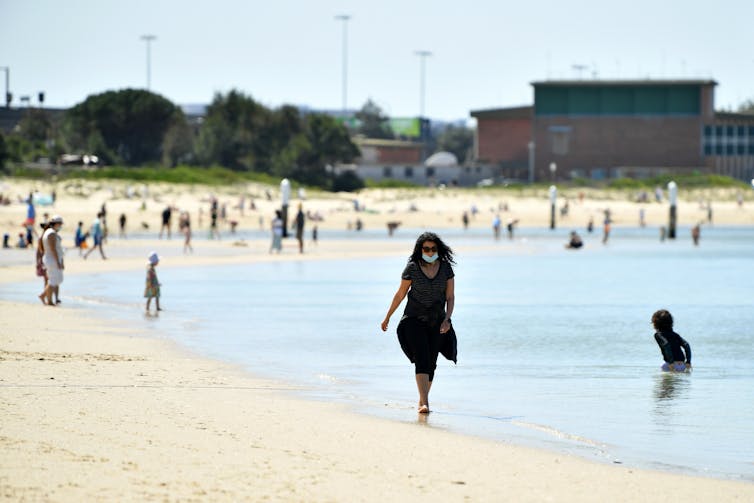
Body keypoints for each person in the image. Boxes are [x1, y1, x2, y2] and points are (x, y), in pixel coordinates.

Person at [381, 232, 456, 414]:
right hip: (414, 320)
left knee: (432, 362)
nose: (430, 252)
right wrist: (388, 316)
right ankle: (425, 403)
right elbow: (400, 294)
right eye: (426, 249)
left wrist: (447, 319)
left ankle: (422, 399)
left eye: (433, 249)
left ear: (438, 250)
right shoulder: (412, 268)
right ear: (420, 250)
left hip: (437, 321)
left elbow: (450, 297)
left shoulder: (446, 268)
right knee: (422, 358)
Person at [41, 215, 65, 306]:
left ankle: (45, 297)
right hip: (52, 259)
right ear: (56, 224)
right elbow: (53, 249)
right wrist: (58, 261)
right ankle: (47, 299)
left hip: (51, 258)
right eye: (60, 224)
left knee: (55, 280)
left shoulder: (50, 232)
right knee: (53, 281)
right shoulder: (51, 233)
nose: (61, 226)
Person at [36, 222, 48, 304]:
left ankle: (46, 296)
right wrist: (38, 262)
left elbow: (37, 252)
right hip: (45, 259)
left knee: (46, 280)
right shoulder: (43, 237)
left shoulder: (42, 237)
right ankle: (44, 296)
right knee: (48, 279)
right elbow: (38, 251)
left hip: (43, 259)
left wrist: (37, 261)